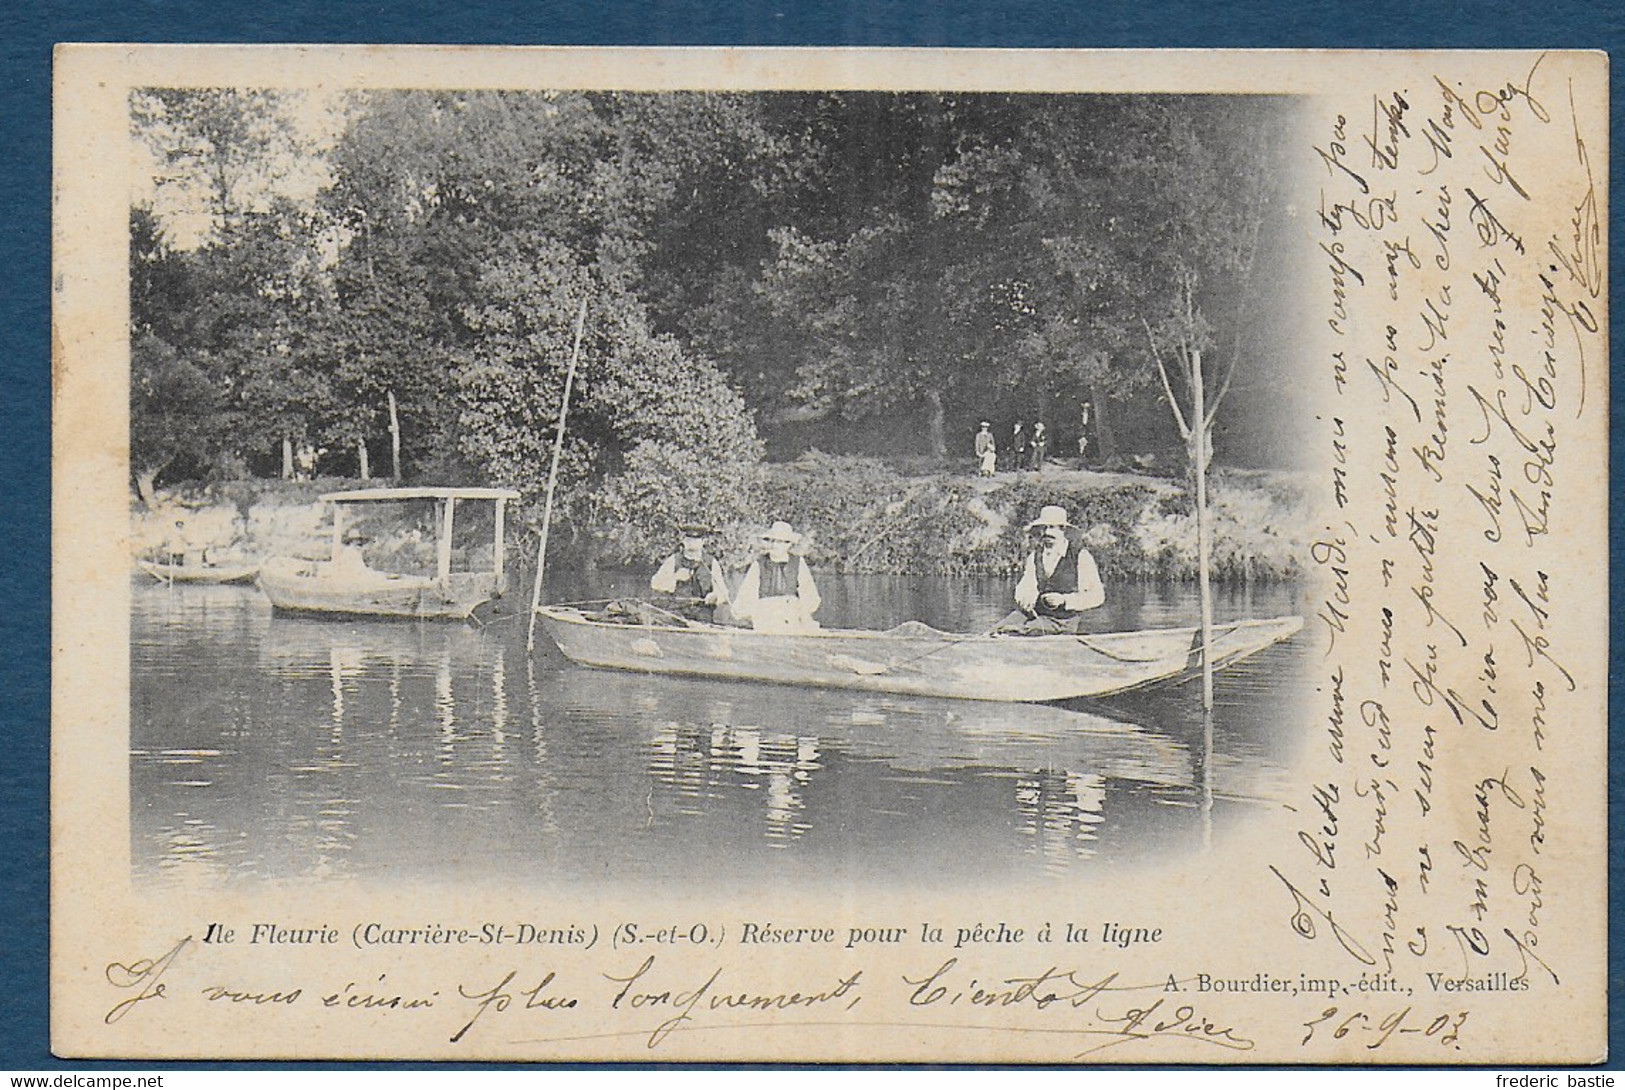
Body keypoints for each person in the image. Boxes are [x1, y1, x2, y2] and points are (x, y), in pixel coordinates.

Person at [994, 505, 1105, 635]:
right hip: (1035, 616)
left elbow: (1097, 596)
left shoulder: (1080, 556)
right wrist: (1025, 598)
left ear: (1063, 529)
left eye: (1051, 527)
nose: (1046, 532)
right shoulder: (1035, 557)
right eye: (1043, 528)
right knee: (997, 631)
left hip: (1062, 622)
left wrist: (1064, 600)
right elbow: (1025, 586)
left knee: (1018, 632)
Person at [732, 521, 821, 632]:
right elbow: (746, 596)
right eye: (772, 541)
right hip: (766, 619)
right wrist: (745, 611)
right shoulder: (758, 565)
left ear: (788, 544)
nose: (774, 545)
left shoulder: (798, 563)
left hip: (792, 618)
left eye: (779, 542)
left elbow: (810, 596)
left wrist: (800, 611)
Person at [649, 523, 730, 623]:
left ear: (703, 542)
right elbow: (655, 584)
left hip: (702, 616)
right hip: (676, 614)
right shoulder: (674, 560)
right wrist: (675, 577)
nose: (692, 543)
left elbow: (723, 592)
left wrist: (715, 596)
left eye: (696, 540)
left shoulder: (711, 563)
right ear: (683, 541)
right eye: (689, 539)